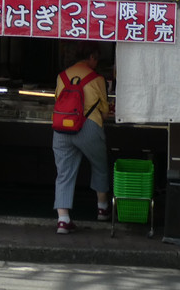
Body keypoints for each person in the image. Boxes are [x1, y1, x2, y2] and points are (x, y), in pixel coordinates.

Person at [52, 41, 112, 233]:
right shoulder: (97, 79)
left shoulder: (62, 76)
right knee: (100, 166)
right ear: (92, 57)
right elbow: (103, 111)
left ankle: (63, 219)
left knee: (64, 173)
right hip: (89, 128)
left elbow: (57, 100)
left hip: (62, 129)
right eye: (97, 59)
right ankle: (102, 210)